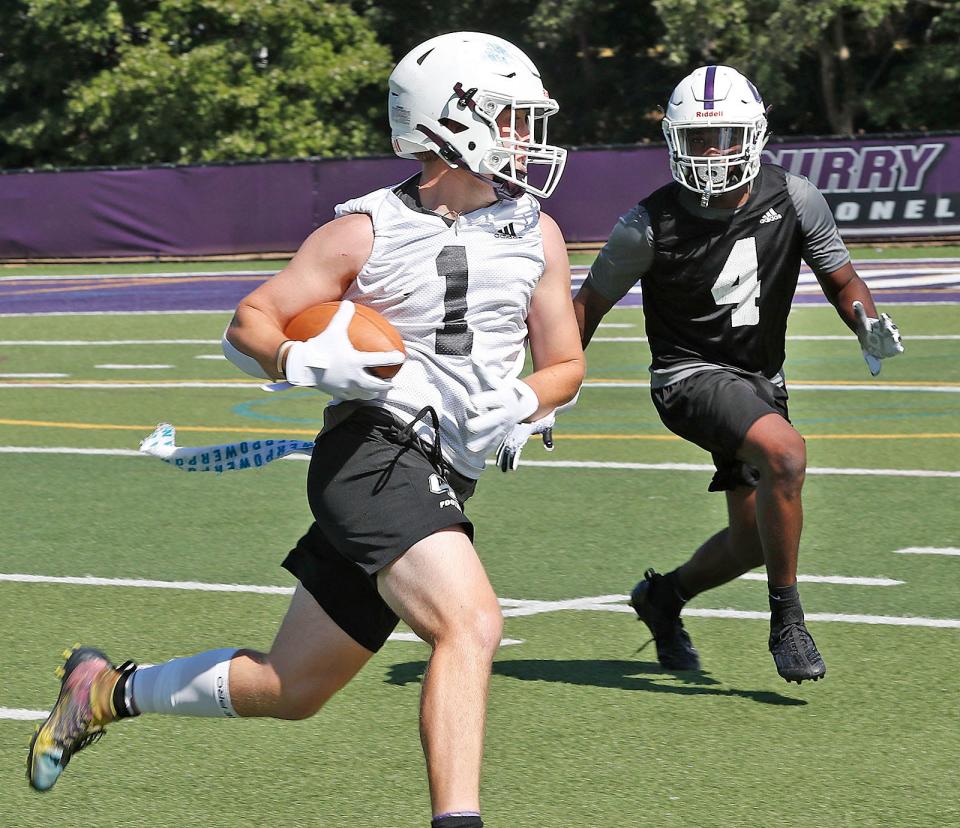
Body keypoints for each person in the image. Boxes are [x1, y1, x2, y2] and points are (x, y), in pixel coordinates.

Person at [27, 32, 585, 828]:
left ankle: (103, 691)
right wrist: (303, 359)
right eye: (510, 116)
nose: (526, 136)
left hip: (442, 470)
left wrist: (527, 400)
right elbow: (247, 323)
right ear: (452, 121)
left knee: (290, 688)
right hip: (374, 455)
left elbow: (565, 361)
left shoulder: (540, 231)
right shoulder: (365, 229)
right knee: (472, 622)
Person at [566, 65, 900, 683]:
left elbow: (842, 279)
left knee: (751, 541)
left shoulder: (794, 197)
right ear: (674, 141)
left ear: (755, 134)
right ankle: (788, 619)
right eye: (699, 139)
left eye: (725, 136)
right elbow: (584, 307)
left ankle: (663, 597)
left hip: (757, 382)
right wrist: (550, 388)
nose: (714, 152)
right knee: (787, 454)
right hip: (687, 376)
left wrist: (865, 321)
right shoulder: (648, 223)